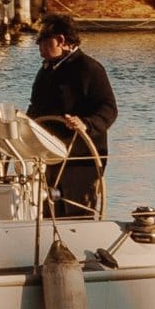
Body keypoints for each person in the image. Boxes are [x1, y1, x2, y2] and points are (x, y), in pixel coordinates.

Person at [27, 14, 116, 217]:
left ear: (60, 40)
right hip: (51, 154)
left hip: (81, 156)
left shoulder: (90, 69)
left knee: (76, 209)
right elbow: (36, 107)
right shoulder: (46, 71)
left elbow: (109, 108)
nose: (39, 48)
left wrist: (85, 123)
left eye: (43, 42)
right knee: (50, 209)